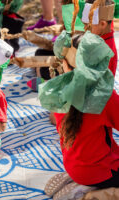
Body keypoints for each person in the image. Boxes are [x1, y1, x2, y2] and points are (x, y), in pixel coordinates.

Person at [39, 30, 119, 199]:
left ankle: (78, 180)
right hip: (99, 171)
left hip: (72, 165)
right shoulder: (104, 96)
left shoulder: (56, 90)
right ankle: (92, 194)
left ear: (65, 64)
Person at [82, 0, 118, 75]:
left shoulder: (104, 51)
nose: (84, 28)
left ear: (102, 24)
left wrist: (68, 69)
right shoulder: (103, 33)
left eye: (88, 26)